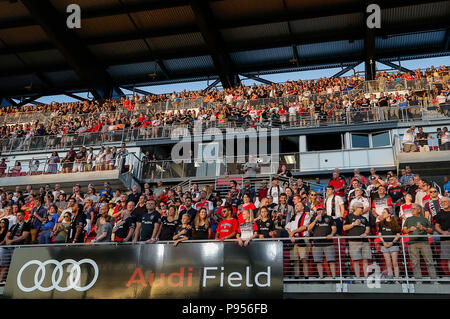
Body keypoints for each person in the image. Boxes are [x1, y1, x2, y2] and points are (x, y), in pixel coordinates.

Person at [403, 203, 437, 282]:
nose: (412, 210)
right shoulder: (408, 219)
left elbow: (431, 231)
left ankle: (434, 280)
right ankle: (418, 281)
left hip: (424, 242)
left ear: (419, 210)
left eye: (414, 208)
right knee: (415, 263)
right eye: (411, 208)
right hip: (412, 243)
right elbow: (404, 231)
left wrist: (424, 228)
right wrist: (409, 229)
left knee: (429, 262)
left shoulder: (424, 219)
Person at [307, 204, 337, 280]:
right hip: (317, 243)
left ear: (324, 210)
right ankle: (321, 277)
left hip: (328, 243)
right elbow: (309, 229)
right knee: (318, 261)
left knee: (331, 260)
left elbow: (334, 228)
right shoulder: (313, 218)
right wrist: (315, 220)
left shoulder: (329, 218)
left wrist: (332, 234)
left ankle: (334, 277)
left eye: (321, 210)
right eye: (318, 210)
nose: (319, 211)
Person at [343, 202, 371, 280]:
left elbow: (368, 228)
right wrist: (353, 224)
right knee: (356, 261)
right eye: (361, 208)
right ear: (356, 208)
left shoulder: (364, 218)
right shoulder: (349, 216)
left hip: (364, 241)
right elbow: (344, 228)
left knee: (365, 260)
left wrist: (365, 233)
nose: (363, 209)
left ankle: (366, 278)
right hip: (353, 241)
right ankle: (358, 278)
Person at [285, 202, 311, 279]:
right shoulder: (293, 216)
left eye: (298, 205)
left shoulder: (306, 216)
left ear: (303, 207)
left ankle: (306, 277)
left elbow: (304, 227)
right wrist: (290, 233)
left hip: (302, 239)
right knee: (295, 260)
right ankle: (297, 277)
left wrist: (293, 232)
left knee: (304, 260)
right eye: (295, 205)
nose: (296, 207)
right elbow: (287, 226)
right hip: (293, 239)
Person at [377, 208, 402, 282]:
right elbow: (379, 234)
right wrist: (383, 242)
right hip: (384, 245)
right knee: (388, 263)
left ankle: (396, 279)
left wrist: (393, 242)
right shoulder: (381, 223)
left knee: (395, 263)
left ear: (389, 214)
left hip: (393, 245)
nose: (382, 214)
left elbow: (398, 234)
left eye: (384, 212)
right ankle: (390, 278)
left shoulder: (395, 222)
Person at [435, 197, 450, 274]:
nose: (443, 203)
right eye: (442, 202)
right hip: (445, 239)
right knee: (448, 258)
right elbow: (436, 226)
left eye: (445, 201)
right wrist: (442, 232)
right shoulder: (440, 213)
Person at [0, 218, 10, 283]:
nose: (1, 223)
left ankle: (1, 279)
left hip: (3, 248)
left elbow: (5, 240)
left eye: (3, 222)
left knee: (3, 264)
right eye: (1, 222)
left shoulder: (8, 230)